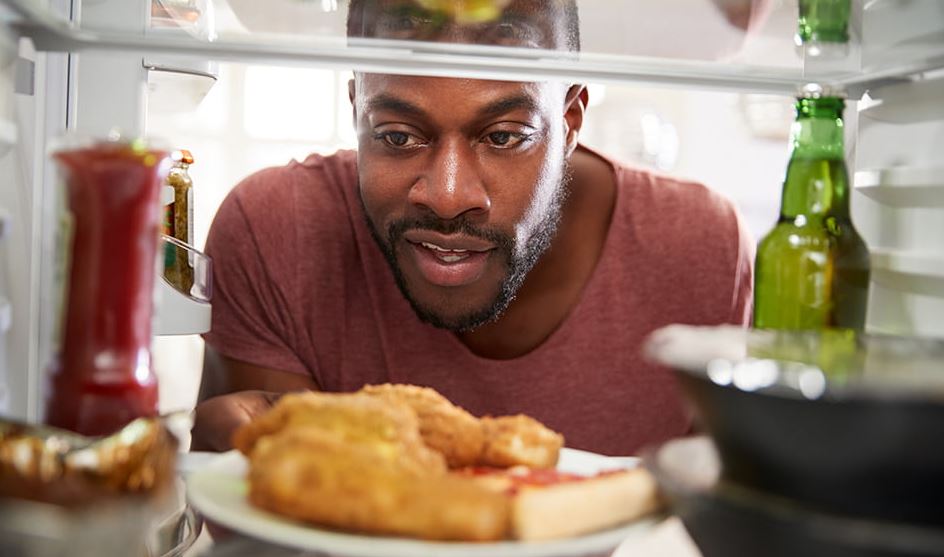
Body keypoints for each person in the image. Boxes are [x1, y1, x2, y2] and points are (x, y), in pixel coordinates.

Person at [191, 0, 754, 455]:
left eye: (505, 135)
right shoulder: (274, 231)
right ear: (355, 107)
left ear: (570, 120)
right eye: (397, 135)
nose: (447, 196)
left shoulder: (703, 248)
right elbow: (284, 522)